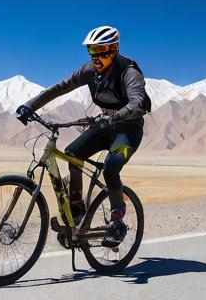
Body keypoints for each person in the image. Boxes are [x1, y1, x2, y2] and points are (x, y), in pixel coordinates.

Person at [16, 25, 150, 247]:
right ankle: (77, 210)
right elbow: (61, 87)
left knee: (110, 167)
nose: (96, 56)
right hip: (104, 125)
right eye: (91, 51)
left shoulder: (129, 71)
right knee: (72, 153)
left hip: (128, 129)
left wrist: (115, 117)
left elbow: (137, 102)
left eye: (101, 50)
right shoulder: (89, 70)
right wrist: (30, 105)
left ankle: (117, 220)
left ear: (114, 49)